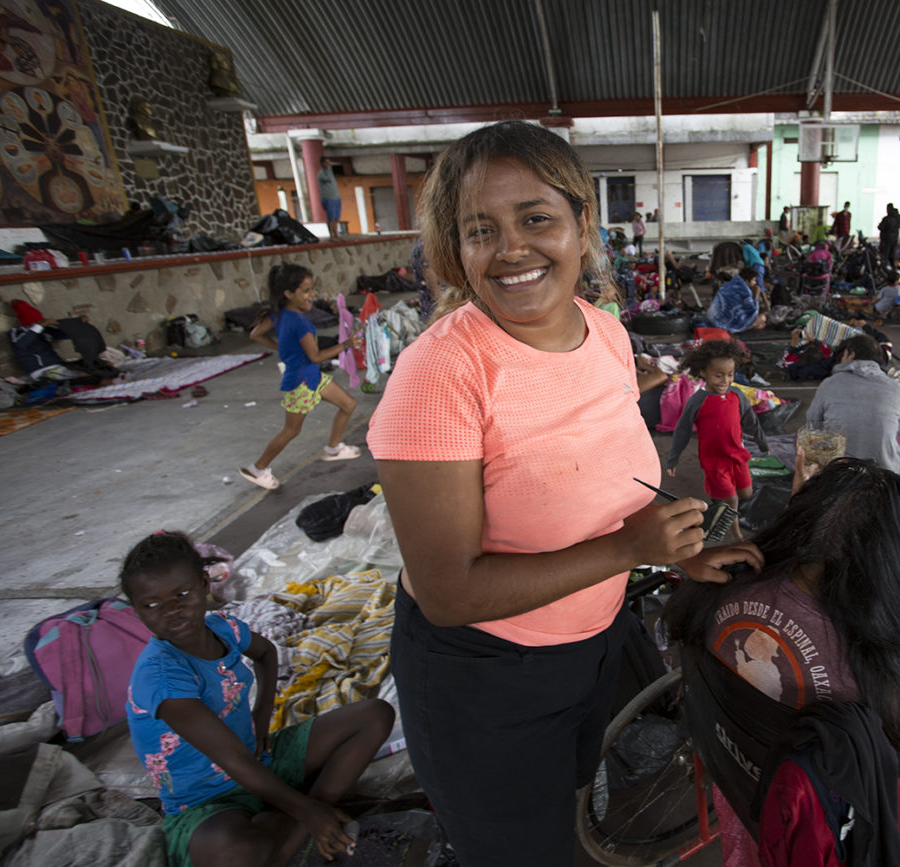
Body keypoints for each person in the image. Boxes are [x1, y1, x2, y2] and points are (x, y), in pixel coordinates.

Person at [365, 120, 759, 866]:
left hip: (592, 641)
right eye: (482, 229)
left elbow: (608, 480)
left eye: (536, 218)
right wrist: (626, 549)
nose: (512, 248)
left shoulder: (604, 332)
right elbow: (449, 591)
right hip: (483, 676)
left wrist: (678, 553)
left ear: (583, 223)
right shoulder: (440, 375)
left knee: (570, 815)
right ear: (457, 249)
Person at [661, 458, 900, 856]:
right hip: (832, 823)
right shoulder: (895, 667)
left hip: (742, 782)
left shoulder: (721, 584)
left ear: (796, 523)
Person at [121, 531, 394, 867]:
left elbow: (266, 654)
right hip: (204, 800)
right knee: (236, 849)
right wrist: (307, 810)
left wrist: (262, 713)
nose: (172, 610)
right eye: (152, 604)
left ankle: (301, 820)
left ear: (205, 584)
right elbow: (233, 760)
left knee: (374, 715)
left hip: (259, 760)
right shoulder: (160, 675)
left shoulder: (222, 628)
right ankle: (305, 820)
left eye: (183, 593)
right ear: (135, 610)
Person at [240, 264, 362, 491]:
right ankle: (259, 468)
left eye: (311, 289)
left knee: (348, 404)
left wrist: (283, 349)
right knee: (291, 430)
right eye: (305, 291)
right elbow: (315, 357)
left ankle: (334, 448)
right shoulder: (301, 322)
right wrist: (346, 345)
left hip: (311, 377)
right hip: (301, 383)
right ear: (288, 294)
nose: (312, 295)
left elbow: (255, 333)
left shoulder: (279, 314)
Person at [665, 340, 769, 537]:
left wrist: (762, 442)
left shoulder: (737, 394)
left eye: (730, 375)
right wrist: (673, 458)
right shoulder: (697, 401)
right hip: (715, 463)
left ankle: (719, 500)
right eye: (718, 375)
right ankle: (736, 535)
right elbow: (682, 431)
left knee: (745, 494)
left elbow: (751, 421)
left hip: (738, 458)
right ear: (703, 372)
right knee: (732, 501)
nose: (725, 381)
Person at [805, 335, 900, 474]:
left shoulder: (829, 384)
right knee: (896, 440)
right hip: (885, 474)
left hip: (838, 473)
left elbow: (813, 421)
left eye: (843, 354)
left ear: (851, 354)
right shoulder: (896, 388)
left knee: (804, 439)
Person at [708, 267, 766, 332]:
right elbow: (753, 311)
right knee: (762, 318)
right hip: (723, 324)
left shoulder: (730, 283)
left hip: (712, 318)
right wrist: (756, 294)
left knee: (760, 323)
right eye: (754, 280)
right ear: (747, 281)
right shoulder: (745, 290)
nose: (755, 283)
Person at [317, 157, 342, 239]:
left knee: (336, 217)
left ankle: (336, 233)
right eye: (327, 163)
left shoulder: (331, 172)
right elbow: (328, 179)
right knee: (331, 217)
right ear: (323, 163)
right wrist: (329, 168)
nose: (329, 164)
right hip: (328, 198)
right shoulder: (321, 174)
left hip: (336, 197)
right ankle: (331, 234)